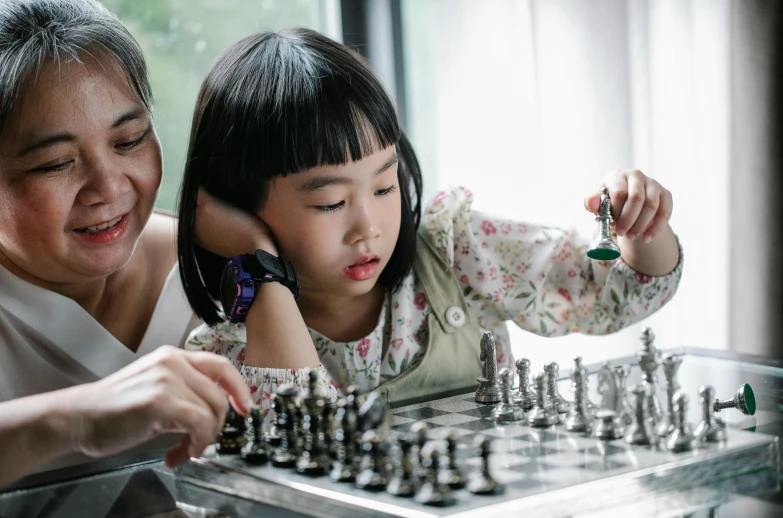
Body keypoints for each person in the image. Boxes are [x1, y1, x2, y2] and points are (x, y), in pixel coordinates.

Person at [178, 29, 683, 413]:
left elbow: (622, 296)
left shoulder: (458, 250)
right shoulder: (232, 345)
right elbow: (299, 449)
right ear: (240, 205)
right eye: (331, 203)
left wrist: (642, 226)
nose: (368, 227)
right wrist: (260, 270)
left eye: (383, 186)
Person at [0, 0, 252, 487]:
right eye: (55, 163)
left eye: (130, 139)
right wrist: (77, 417)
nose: (109, 188)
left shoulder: (219, 263)